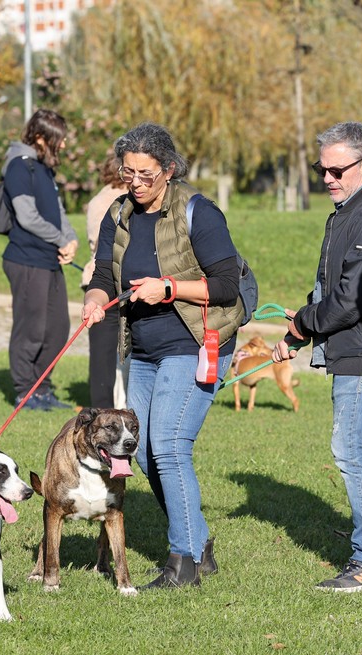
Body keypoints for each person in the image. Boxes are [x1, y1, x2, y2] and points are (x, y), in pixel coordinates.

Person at [82, 122, 243, 587]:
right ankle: (199, 543)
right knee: (142, 449)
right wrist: (95, 300)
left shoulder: (198, 211)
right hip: (145, 349)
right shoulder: (118, 214)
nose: (135, 182)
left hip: (195, 342)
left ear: (169, 170)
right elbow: (104, 276)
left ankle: (183, 562)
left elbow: (226, 285)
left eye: (145, 174)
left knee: (169, 446)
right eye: (127, 172)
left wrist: (169, 288)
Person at [272, 121, 362, 593]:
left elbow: (353, 298)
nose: (328, 178)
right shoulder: (349, 210)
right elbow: (330, 287)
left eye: (337, 170)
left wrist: (305, 323)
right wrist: (297, 333)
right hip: (358, 347)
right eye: (322, 169)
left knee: (350, 449)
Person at [1, 108, 79, 411]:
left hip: (49, 260)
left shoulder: (44, 169)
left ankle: (42, 389)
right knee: (31, 330)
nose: (63, 145)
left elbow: (58, 211)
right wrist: (60, 239)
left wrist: (70, 239)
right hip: (26, 260)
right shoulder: (19, 167)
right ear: (39, 137)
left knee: (57, 330)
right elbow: (27, 217)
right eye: (59, 139)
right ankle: (25, 392)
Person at [82, 151, 129, 408]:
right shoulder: (121, 201)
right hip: (111, 280)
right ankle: (112, 408)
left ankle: (102, 408)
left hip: (95, 276)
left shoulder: (97, 199)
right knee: (118, 352)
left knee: (102, 354)